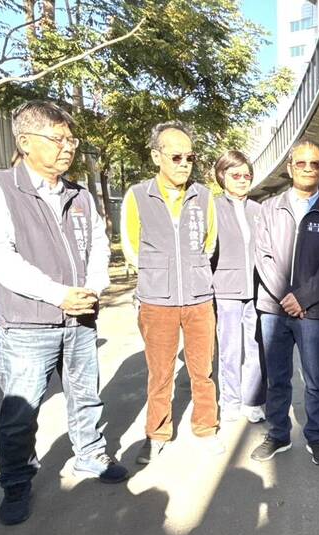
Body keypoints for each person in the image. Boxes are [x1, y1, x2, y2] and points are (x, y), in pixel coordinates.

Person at [0, 100, 128, 526]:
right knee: (21, 411)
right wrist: (58, 294)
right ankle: (17, 483)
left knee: (86, 395)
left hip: (79, 320)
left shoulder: (78, 195)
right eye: (58, 139)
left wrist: (93, 289)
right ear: (24, 142)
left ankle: (91, 455)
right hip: (26, 324)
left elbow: (98, 246)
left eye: (71, 140)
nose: (67, 148)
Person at [121, 121, 224, 464]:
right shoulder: (138, 196)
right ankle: (157, 433)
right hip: (157, 300)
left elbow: (209, 244)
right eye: (176, 156)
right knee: (161, 372)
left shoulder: (204, 196)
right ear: (156, 156)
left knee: (202, 369)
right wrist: (159, 276)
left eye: (190, 157)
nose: (184, 163)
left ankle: (206, 427)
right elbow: (132, 247)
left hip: (198, 299)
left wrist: (191, 274)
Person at [250, 140, 319, 467]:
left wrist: (302, 298)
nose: (308, 169)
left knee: (316, 379)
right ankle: (278, 434)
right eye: (301, 163)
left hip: (314, 311)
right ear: (290, 167)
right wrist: (285, 297)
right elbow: (262, 257)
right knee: (277, 377)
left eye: (315, 164)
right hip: (274, 310)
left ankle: (316, 435)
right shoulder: (268, 209)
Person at [211, 150, 266, 424]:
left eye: (247, 175)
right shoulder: (212, 208)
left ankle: (252, 400)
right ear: (222, 175)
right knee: (230, 349)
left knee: (256, 347)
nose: (242, 180)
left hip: (256, 290)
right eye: (236, 175)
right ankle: (230, 400)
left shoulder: (259, 210)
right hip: (226, 290)